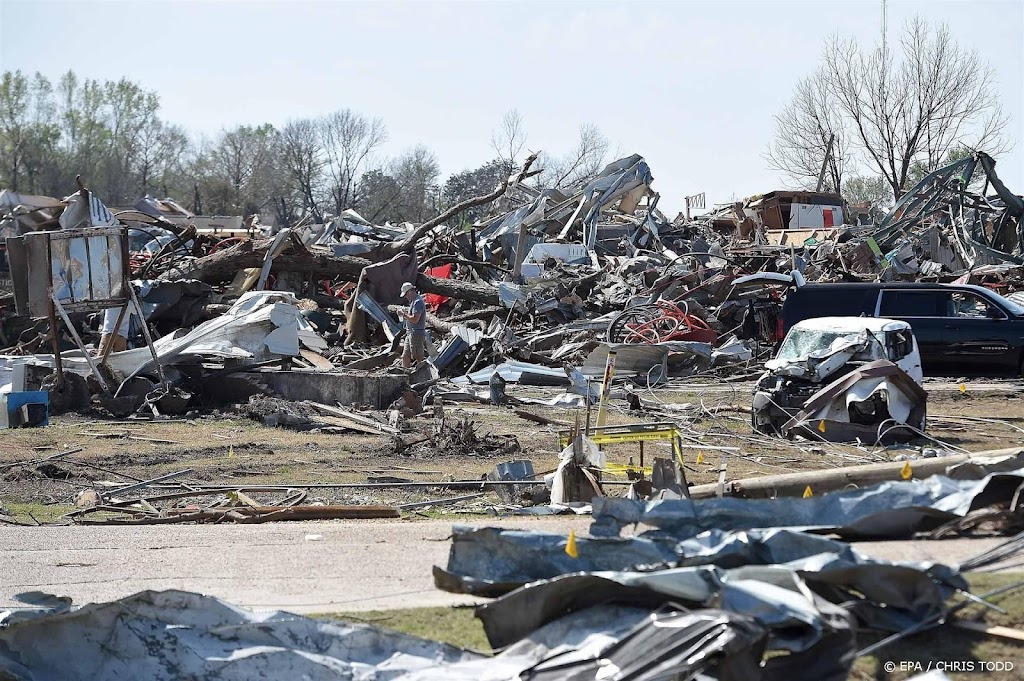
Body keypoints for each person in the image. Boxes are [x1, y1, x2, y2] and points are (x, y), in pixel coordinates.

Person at [397, 282, 426, 368]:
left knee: (418, 356)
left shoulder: (418, 302)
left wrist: (404, 315)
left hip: (416, 333)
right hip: (410, 333)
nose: (406, 297)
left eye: (406, 295)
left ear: (409, 292)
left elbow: (415, 319)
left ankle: (424, 374)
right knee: (405, 355)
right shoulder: (413, 302)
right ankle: (405, 374)